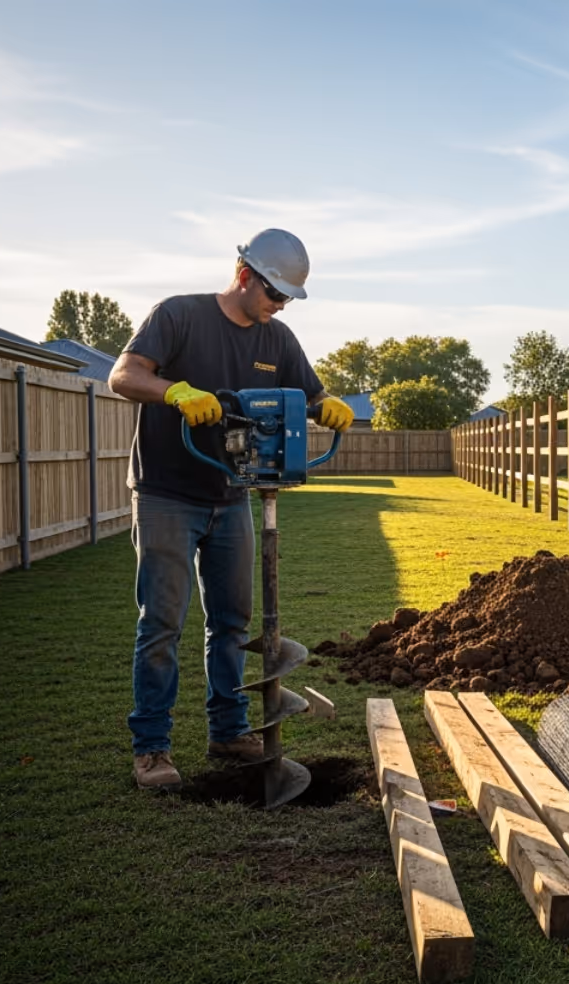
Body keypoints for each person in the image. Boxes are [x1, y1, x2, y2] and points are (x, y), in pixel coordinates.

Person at [107, 228, 353, 790]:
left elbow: (311, 396)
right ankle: (151, 749)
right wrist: (173, 392)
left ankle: (228, 729)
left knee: (233, 623)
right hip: (166, 493)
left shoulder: (277, 340)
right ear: (245, 276)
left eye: (288, 299)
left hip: (231, 496)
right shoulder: (177, 316)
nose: (280, 306)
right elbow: (123, 374)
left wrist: (326, 406)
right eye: (275, 294)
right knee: (163, 623)